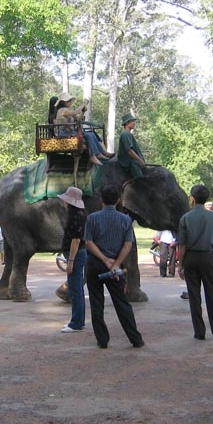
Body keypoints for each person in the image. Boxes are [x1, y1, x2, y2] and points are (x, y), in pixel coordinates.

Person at [84, 184, 145, 349]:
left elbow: (89, 243)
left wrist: (104, 259)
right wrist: (115, 264)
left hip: (95, 263)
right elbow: (127, 245)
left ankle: (102, 340)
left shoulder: (92, 218)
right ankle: (135, 339)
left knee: (97, 303)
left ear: (101, 200)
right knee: (121, 303)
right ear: (119, 200)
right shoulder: (125, 220)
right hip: (116, 266)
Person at [177, 184, 213, 340]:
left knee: (194, 296)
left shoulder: (185, 218)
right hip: (208, 258)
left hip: (190, 258)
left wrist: (180, 264)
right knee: (212, 293)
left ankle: (199, 331)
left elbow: (181, 245)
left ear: (192, 199)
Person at [53, 92, 112, 166]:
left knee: (91, 134)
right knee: (89, 135)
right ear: (63, 102)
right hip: (64, 133)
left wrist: (83, 111)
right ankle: (93, 156)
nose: (70, 102)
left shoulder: (68, 110)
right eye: (68, 101)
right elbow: (75, 112)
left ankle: (97, 154)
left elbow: (78, 118)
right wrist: (84, 104)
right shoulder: (63, 111)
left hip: (71, 132)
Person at [58, 186, 87, 333]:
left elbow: (75, 240)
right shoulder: (81, 215)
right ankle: (78, 320)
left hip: (75, 254)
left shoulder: (75, 217)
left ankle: (76, 323)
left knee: (75, 289)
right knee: (77, 289)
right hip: (77, 254)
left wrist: (71, 261)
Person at [117, 113, 145, 179]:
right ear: (127, 123)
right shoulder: (125, 134)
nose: (134, 123)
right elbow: (129, 151)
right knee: (140, 181)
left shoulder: (128, 134)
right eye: (132, 121)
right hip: (130, 164)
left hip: (133, 162)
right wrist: (139, 160)